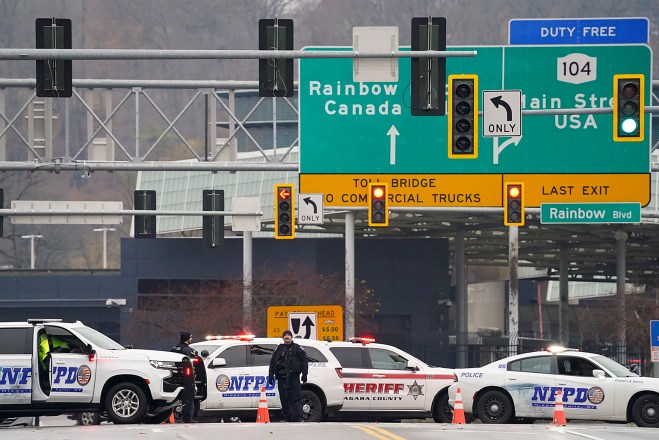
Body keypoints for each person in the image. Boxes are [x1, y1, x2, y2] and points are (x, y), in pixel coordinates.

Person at [268, 330, 308, 422]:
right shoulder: (279, 349)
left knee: (296, 397)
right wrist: (271, 375)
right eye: (285, 335)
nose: (287, 336)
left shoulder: (297, 348)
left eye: (288, 335)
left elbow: (304, 360)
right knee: (284, 398)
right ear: (283, 338)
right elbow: (273, 362)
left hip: (293, 376)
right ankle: (287, 417)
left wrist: (304, 374)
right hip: (282, 376)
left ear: (291, 337)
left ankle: (298, 417)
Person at [171, 331, 198, 423]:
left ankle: (168, 417)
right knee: (189, 397)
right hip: (187, 377)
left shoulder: (174, 348)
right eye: (190, 338)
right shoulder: (188, 350)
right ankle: (188, 418)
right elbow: (195, 358)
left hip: (174, 376)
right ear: (187, 339)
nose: (191, 339)